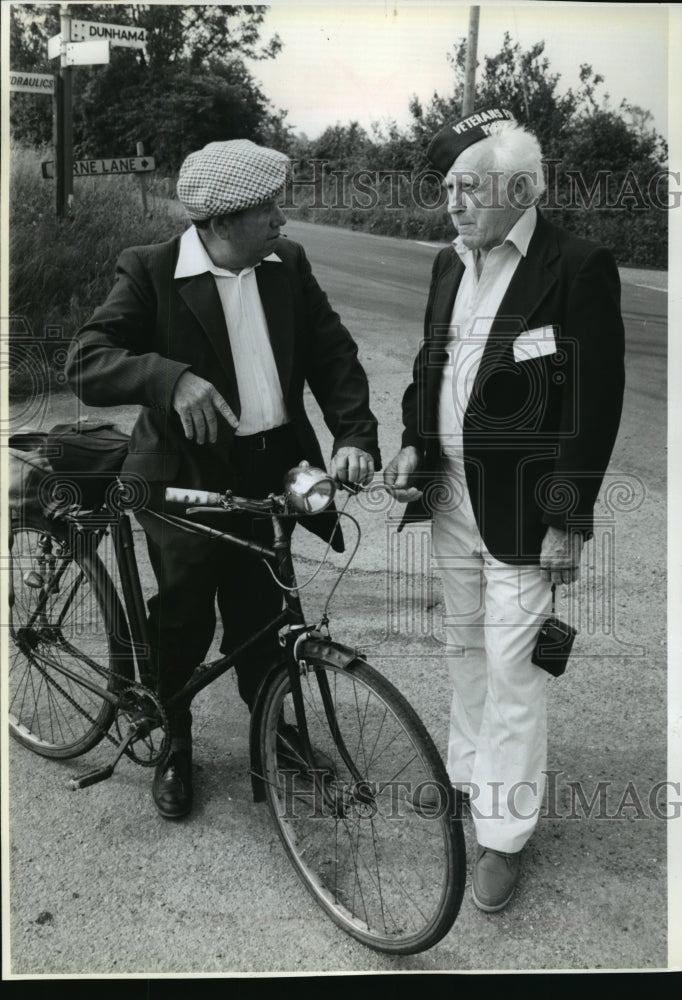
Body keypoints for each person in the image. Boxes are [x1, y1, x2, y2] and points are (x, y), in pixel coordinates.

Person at [66, 139, 380, 820]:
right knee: (183, 612)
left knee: (269, 606)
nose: (282, 219)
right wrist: (169, 379)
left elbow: (333, 354)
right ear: (222, 221)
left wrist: (355, 434)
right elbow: (88, 361)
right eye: (268, 207)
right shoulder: (152, 271)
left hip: (276, 465)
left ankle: (273, 728)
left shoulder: (286, 264)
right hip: (186, 475)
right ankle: (173, 738)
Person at [384, 108, 624, 912]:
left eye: (470, 188)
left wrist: (569, 516)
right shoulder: (448, 264)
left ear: (520, 188)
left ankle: (504, 835)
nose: (453, 202)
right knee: (462, 649)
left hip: (527, 511)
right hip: (451, 496)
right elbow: (431, 369)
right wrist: (415, 441)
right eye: (448, 187)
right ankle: (466, 779)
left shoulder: (577, 267)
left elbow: (594, 405)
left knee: (514, 670)